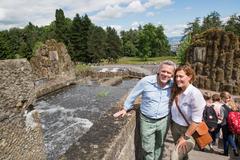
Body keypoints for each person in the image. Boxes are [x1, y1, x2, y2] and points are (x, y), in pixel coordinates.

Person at [113, 60, 176, 160]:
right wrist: (125, 108)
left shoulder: (173, 84)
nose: (166, 74)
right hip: (147, 121)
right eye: (163, 71)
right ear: (158, 71)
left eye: (169, 73)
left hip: (164, 120)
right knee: (147, 148)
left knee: (159, 145)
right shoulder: (146, 81)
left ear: (172, 75)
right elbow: (133, 94)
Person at [170, 65, 206, 160]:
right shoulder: (178, 90)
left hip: (188, 131)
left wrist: (185, 137)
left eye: (181, 76)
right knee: (183, 157)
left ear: (189, 77)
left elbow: (196, 121)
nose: (177, 79)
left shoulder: (195, 94)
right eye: (176, 76)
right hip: (175, 128)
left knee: (174, 157)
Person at [220, 91, 239, 157]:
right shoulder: (233, 105)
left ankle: (232, 150)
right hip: (232, 124)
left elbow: (222, 117)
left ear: (223, 98)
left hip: (225, 124)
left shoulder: (222, 107)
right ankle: (229, 151)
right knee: (230, 136)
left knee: (226, 138)